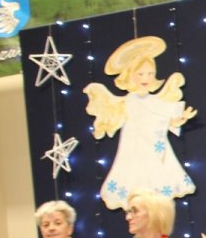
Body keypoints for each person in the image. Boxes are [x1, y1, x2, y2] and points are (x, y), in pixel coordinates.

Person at [83, 36, 198, 210]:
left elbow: (164, 117)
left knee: (158, 176)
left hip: (154, 145)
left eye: (150, 73)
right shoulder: (129, 101)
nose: (146, 78)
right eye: (141, 74)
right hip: (135, 146)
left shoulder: (154, 100)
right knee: (135, 176)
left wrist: (179, 119)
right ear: (131, 75)